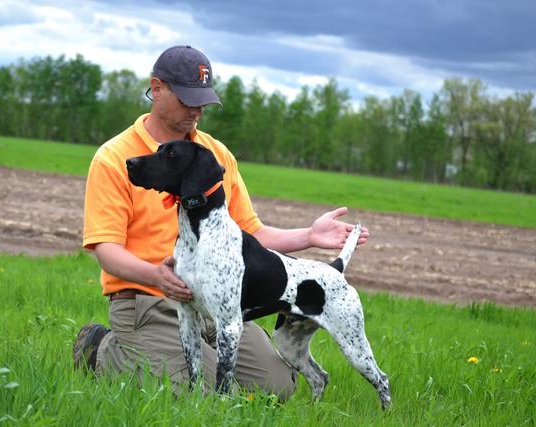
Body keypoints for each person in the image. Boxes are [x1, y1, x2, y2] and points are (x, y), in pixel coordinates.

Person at [73, 45, 370, 400]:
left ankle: (184, 358)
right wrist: (157, 276)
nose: (197, 110)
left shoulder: (215, 156)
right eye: (188, 100)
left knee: (275, 390)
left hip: (216, 306)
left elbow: (252, 234)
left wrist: (310, 235)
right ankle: (101, 350)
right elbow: (107, 252)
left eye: (203, 101)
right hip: (147, 300)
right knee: (196, 393)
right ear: (157, 88)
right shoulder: (115, 157)